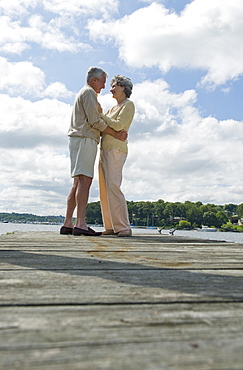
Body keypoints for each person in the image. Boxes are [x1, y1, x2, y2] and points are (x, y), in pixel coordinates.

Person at [60, 67, 127, 236]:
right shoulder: (89, 93)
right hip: (85, 139)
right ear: (94, 80)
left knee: (77, 182)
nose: (104, 87)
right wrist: (115, 134)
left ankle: (68, 223)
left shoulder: (84, 93)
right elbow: (94, 121)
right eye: (103, 82)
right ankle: (80, 223)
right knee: (85, 181)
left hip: (78, 138)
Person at [98, 75, 135, 237]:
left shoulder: (128, 105)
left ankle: (123, 227)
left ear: (122, 87)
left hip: (116, 150)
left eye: (114, 86)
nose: (111, 89)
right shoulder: (112, 109)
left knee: (113, 186)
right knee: (104, 189)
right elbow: (103, 126)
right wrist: (102, 117)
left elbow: (119, 125)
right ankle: (111, 226)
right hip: (104, 149)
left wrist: (101, 116)